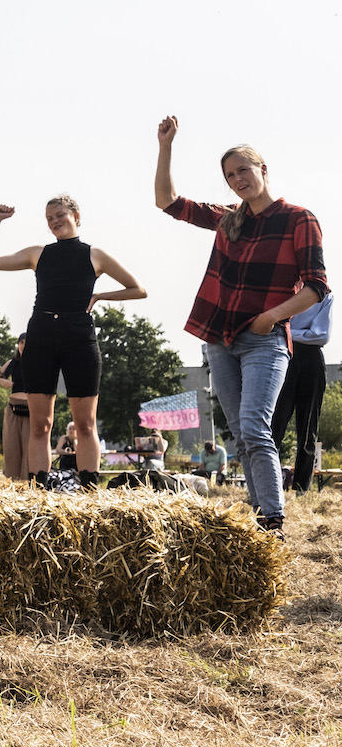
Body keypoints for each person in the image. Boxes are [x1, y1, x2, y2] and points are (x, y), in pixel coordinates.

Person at [155, 117, 326, 535]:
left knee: (254, 426)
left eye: (243, 171)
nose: (237, 180)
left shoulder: (298, 219)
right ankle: (258, 515)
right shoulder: (230, 218)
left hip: (264, 341)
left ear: (263, 169)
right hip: (219, 339)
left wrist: (273, 316)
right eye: (230, 175)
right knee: (239, 434)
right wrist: (166, 146)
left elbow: (317, 287)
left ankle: (273, 518)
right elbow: (167, 202)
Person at [0, 197, 147, 488]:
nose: (54, 221)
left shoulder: (96, 255)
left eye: (59, 215)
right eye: (49, 218)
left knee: (85, 424)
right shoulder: (38, 253)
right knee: (41, 424)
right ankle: (38, 487)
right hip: (41, 336)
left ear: (75, 215)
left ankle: (89, 488)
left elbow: (137, 289)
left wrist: (99, 297)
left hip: (79, 337)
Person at [273, 291, 332, 494]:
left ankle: (301, 489)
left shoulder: (324, 295)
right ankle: (270, 485)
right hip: (284, 356)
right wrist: (302, 332)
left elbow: (322, 335)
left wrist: (287, 331)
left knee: (308, 429)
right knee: (274, 426)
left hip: (310, 360)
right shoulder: (283, 288)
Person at [0, 334, 31, 480]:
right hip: (13, 407)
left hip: (31, 408)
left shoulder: (38, 362)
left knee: (28, 447)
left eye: (26, 342)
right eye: (21, 342)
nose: (23, 345)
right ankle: (12, 481)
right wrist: (2, 382)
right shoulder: (13, 363)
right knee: (11, 446)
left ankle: (28, 482)